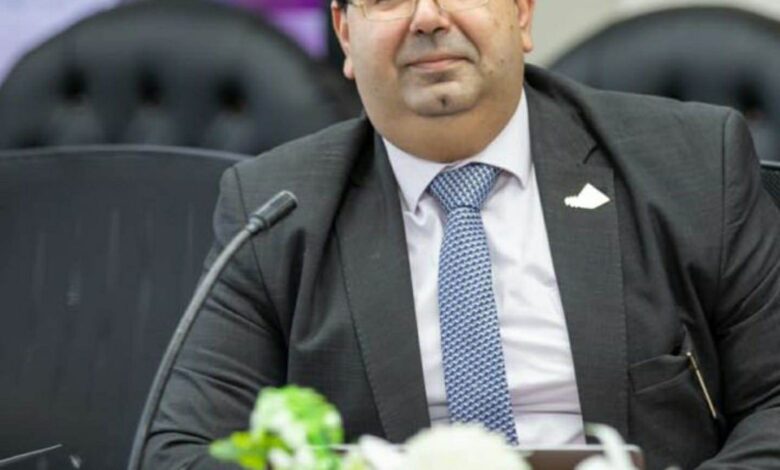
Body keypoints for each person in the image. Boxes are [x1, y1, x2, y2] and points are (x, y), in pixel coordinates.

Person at [138, 0, 780, 468]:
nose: (427, 17)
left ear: (521, 14)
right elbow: (179, 451)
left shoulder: (693, 164)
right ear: (345, 34)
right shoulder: (277, 209)